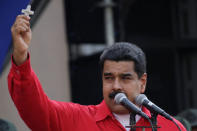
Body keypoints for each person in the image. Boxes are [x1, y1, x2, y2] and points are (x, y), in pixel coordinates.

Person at [8, 15, 186, 131]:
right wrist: (21, 57)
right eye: (109, 78)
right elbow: (34, 108)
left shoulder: (170, 126)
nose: (116, 86)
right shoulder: (75, 119)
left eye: (125, 78)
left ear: (143, 82)